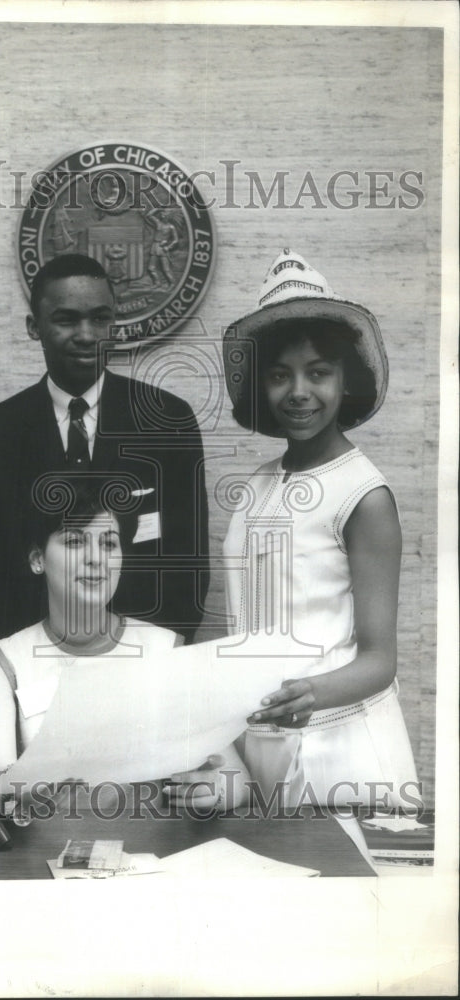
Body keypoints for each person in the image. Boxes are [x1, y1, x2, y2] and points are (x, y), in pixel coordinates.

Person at [221, 249, 420, 810]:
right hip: (267, 743)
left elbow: (380, 660)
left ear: (345, 380)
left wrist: (310, 693)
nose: (299, 391)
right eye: (280, 375)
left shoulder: (365, 494)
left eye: (318, 372)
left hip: (346, 752)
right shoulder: (257, 485)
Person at [0, 253, 208, 648]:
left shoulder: (167, 420)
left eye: (100, 318)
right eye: (67, 319)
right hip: (34, 663)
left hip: (144, 665)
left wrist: (160, 657)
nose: (87, 334)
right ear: (34, 327)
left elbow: (186, 562)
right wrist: (24, 666)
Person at [0, 478, 248, 814]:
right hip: (43, 853)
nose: (95, 559)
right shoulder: (2, 664)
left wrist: (217, 791)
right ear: (37, 559)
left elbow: (237, 779)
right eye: (74, 542)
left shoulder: (165, 650)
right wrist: (18, 791)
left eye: (109, 544)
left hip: (152, 856)